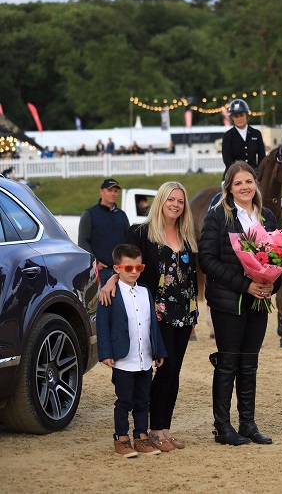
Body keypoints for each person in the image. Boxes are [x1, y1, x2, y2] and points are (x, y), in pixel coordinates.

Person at [99, 182, 199, 452]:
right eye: (170, 199)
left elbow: (191, 277)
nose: (175, 205)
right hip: (156, 312)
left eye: (180, 200)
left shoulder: (187, 234)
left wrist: (194, 313)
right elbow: (125, 264)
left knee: (175, 372)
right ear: (161, 202)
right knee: (164, 369)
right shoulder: (141, 232)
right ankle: (152, 430)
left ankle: (165, 429)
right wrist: (109, 281)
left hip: (184, 312)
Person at [199, 161, 280, 446]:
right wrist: (246, 285)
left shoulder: (267, 217)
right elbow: (207, 260)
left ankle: (248, 423)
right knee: (228, 363)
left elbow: (279, 257)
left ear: (256, 183)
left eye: (249, 181)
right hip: (229, 302)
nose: (245, 187)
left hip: (258, 301)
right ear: (229, 188)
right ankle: (222, 426)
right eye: (238, 183)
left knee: (249, 364)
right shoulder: (218, 216)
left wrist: (271, 285)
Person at [96, 244, 167, 458]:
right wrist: (106, 353)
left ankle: (141, 436)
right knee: (124, 401)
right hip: (123, 359)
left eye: (139, 267)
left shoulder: (145, 292)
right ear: (117, 269)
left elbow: (153, 325)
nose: (134, 272)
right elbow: (102, 326)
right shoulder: (110, 294)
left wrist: (158, 352)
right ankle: (121, 438)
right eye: (128, 268)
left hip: (145, 358)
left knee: (143, 401)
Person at [78, 178, 130, 285]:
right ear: (102, 192)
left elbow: (128, 240)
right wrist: (95, 263)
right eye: (110, 190)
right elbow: (83, 242)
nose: (113, 194)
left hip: (119, 270)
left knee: (118, 301)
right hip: (100, 271)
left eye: (116, 191)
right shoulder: (90, 214)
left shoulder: (122, 215)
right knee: (100, 301)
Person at [221, 99, 266, 180]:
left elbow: (262, 157)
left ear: (246, 115)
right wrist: (239, 172)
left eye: (241, 115)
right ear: (232, 118)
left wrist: (258, 172)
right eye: (236, 116)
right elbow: (227, 159)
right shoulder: (228, 135)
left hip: (254, 174)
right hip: (233, 174)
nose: (239, 119)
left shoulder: (256, 134)